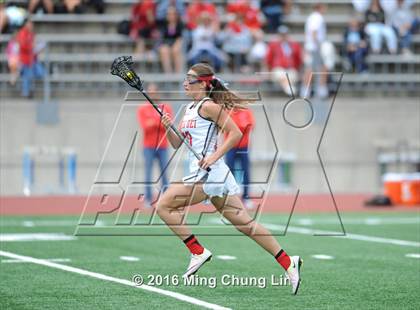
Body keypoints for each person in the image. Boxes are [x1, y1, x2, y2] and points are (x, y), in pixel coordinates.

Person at [158, 62, 303, 294]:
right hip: (203, 172)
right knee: (245, 224)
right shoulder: (188, 109)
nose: (185, 83)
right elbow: (177, 143)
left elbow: (235, 133)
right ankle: (288, 262)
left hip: (208, 174)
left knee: (163, 205)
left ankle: (197, 251)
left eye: (190, 79)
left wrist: (213, 157)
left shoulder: (209, 106)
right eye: (185, 79)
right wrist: (168, 127)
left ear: (203, 84)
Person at [137, 83, 172, 208]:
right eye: (149, 92)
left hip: (162, 145)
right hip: (148, 146)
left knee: (164, 173)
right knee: (148, 173)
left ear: (158, 92)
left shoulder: (166, 107)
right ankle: (148, 199)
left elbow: (167, 125)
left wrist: (153, 121)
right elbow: (145, 126)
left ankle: (166, 199)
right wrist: (158, 121)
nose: (152, 94)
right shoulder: (142, 109)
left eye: (154, 92)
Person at [225, 106, 255, 209]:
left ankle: (246, 197)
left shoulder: (247, 111)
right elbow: (227, 128)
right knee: (229, 173)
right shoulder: (227, 112)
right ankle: (230, 198)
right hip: (230, 147)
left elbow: (250, 127)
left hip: (243, 147)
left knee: (246, 172)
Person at [266, 25, 302, 95]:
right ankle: (289, 89)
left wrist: (297, 68)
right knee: (280, 74)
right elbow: (268, 59)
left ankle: (288, 88)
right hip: (278, 68)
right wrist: (269, 71)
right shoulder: (273, 45)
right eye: (281, 35)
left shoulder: (294, 45)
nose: (283, 37)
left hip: (290, 68)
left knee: (292, 75)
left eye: (285, 35)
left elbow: (298, 59)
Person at [302, 3, 328, 99]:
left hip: (311, 46)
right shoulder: (317, 17)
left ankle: (306, 90)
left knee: (310, 69)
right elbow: (314, 32)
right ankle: (320, 90)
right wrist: (319, 46)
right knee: (319, 68)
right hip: (315, 47)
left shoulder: (311, 17)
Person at [16, 19, 44, 98]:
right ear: (26, 24)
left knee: (40, 73)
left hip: (32, 59)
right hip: (25, 59)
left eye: (32, 24)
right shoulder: (22, 33)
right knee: (27, 75)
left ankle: (28, 91)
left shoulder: (32, 34)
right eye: (29, 24)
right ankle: (26, 92)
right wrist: (32, 46)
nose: (31, 26)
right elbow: (23, 45)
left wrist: (37, 48)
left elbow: (34, 45)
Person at [158, 6, 184, 73]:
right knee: (164, 50)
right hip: (166, 44)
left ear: (176, 15)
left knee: (176, 50)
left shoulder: (180, 24)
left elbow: (180, 38)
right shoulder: (164, 24)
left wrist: (176, 44)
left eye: (173, 14)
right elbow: (163, 38)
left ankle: (177, 73)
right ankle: (168, 73)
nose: (171, 16)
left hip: (177, 44)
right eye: (169, 14)